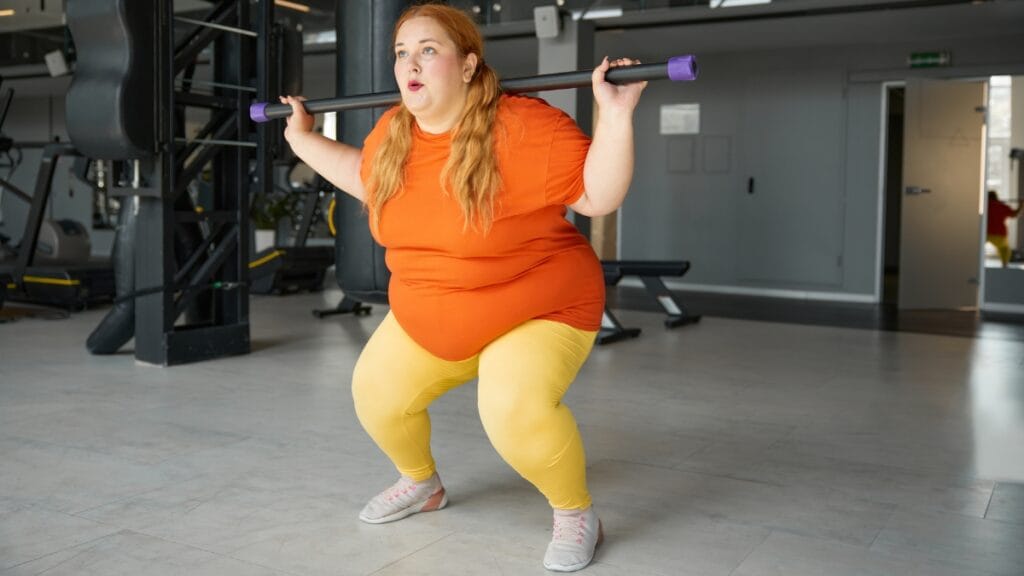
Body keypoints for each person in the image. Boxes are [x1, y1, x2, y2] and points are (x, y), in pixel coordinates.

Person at [279, 3, 645, 571]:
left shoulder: (526, 127)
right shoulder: (393, 133)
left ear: (469, 65)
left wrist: (616, 116)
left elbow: (598, 197)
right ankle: (422, 485)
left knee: (509, 409)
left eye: (428, 50)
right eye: (402, 53)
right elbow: (364, 179)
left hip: (538, 304)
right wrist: (303, 140)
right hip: (435, 311)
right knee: (377, 395)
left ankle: (575, 513)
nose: (410, 64)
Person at [986, 190, 1022, 267]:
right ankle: (1004, 265)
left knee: (976, 248)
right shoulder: (1001, 206)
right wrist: (1021, 205)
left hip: (985, 233)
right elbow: (1014, 214)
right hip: (999, 234)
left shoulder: (985, 206)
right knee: (1005, 249)